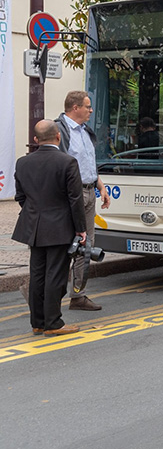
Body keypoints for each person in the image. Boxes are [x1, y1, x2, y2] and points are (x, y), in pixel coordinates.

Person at [13, 120, 87, 336]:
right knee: (56, 275)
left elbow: (20, 196)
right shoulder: (67, 162)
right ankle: (53, 323)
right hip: (59, 226)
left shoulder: (22, 162)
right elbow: (76, 200)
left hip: (33, 226)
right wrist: (80, 229)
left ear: (36, 140)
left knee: (37, 274)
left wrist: (35, 213)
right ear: (58, 136)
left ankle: (38, 322)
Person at [55, 90, 110, 310]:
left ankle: (78, 295)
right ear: (75, 108)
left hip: (89, 191)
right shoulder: (59, 130)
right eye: (87, 106)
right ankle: (45, 292)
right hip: (71, 195)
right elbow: (56, 166)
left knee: (86, 246)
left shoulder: (86, 132)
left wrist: (101, 187)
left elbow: (88, 164)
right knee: (65, 245)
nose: (91, 110)